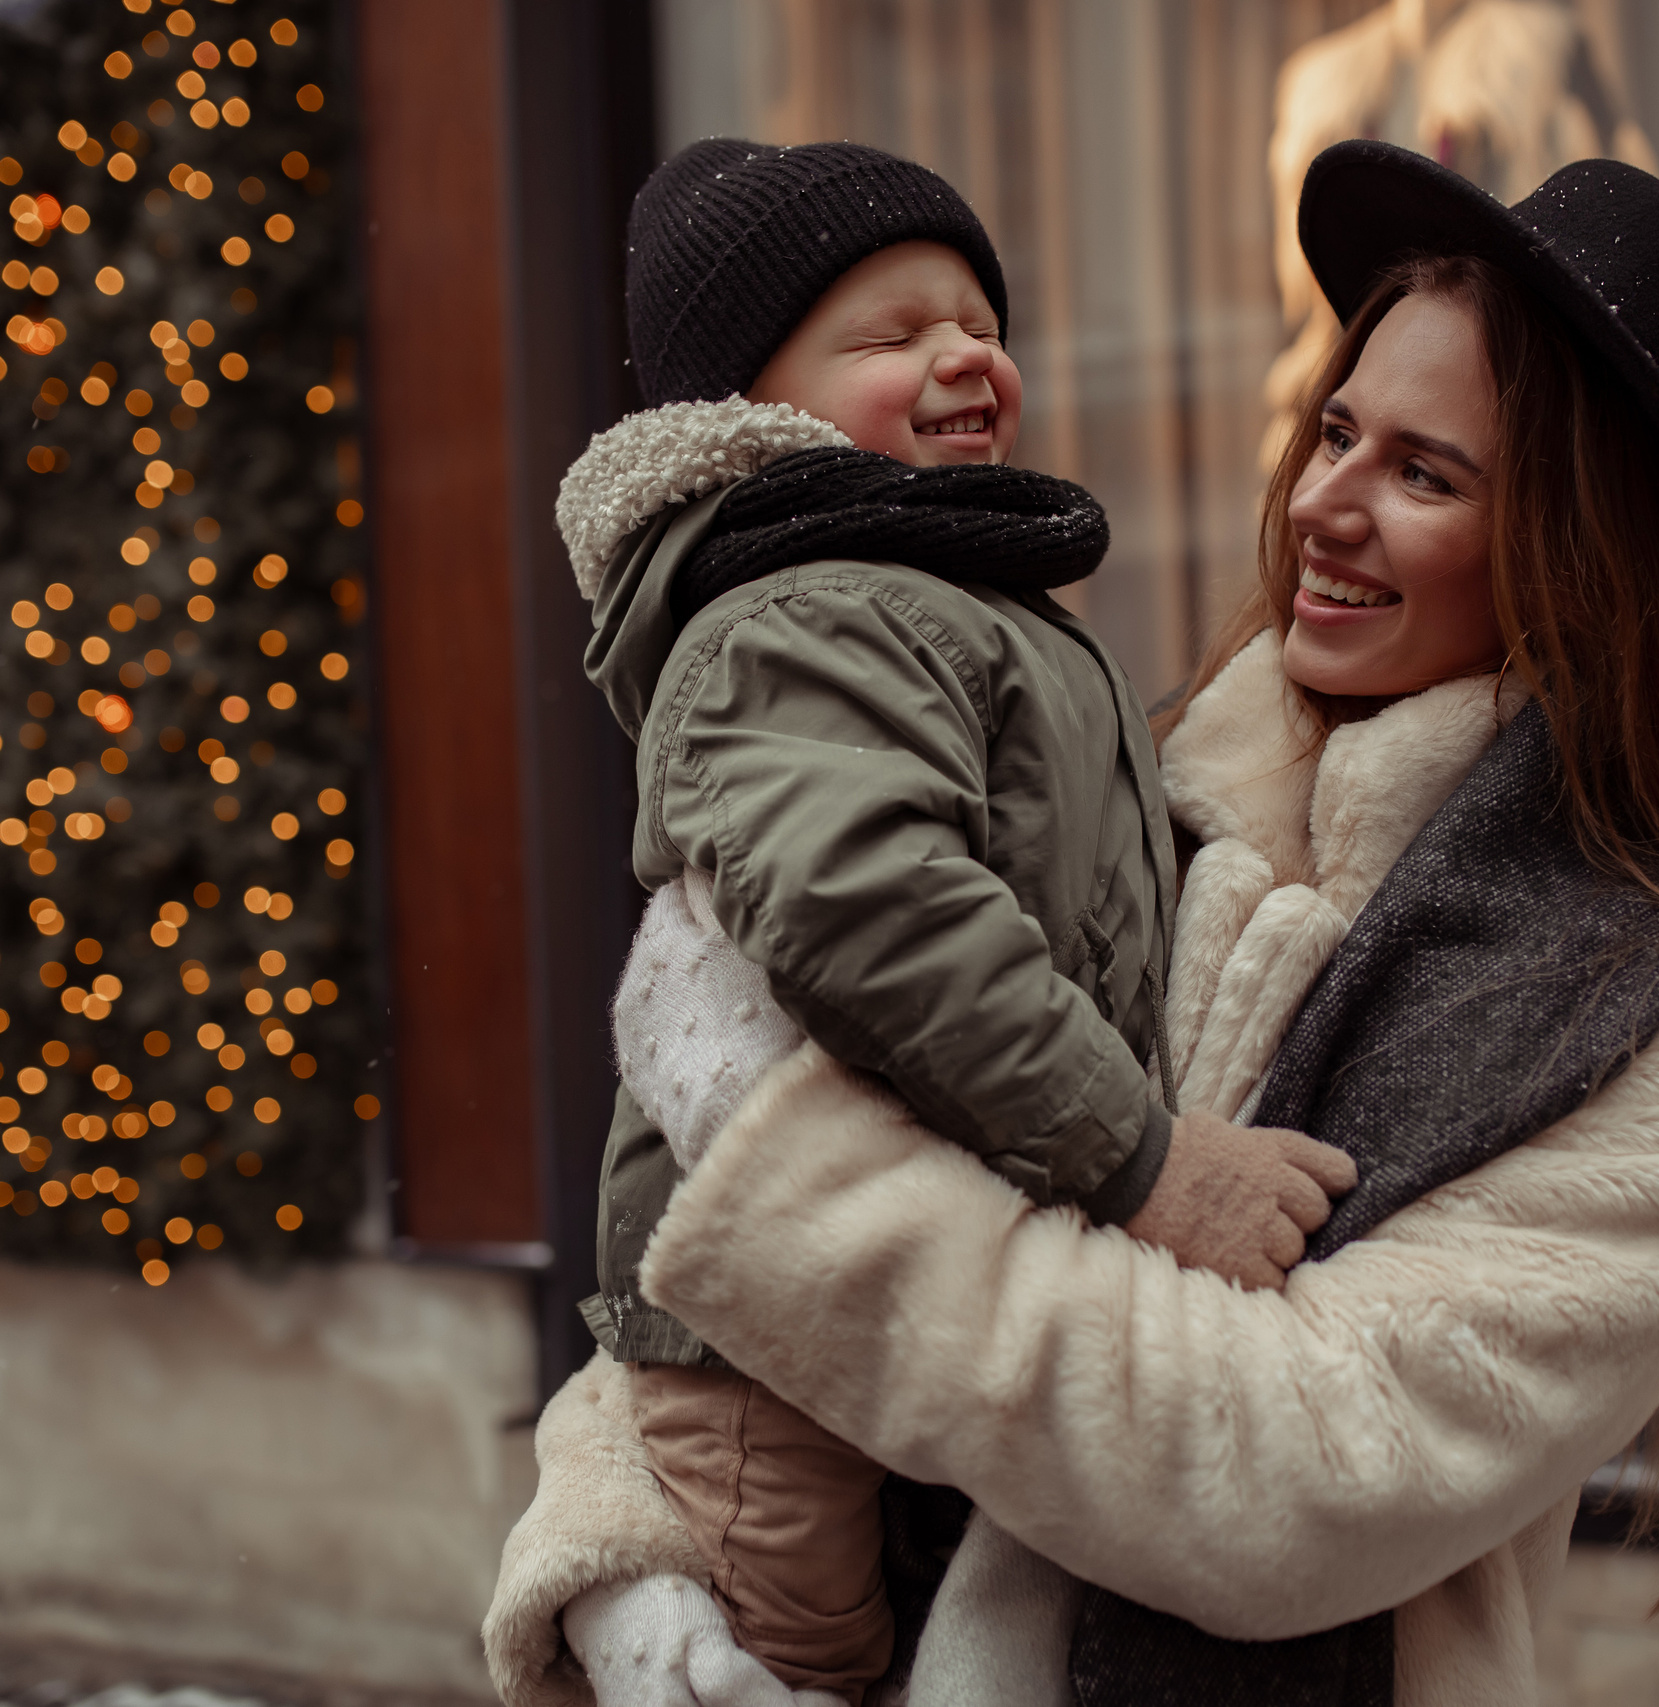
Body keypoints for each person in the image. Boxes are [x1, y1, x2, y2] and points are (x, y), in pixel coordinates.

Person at [485, 139, 1659, 1707]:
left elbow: (1288, 1475)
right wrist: (625, 1565)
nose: (1323, 501)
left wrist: (767, 1145)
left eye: (1426, 473)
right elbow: (693, 1305)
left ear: (1594, 564)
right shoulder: (1157, 779)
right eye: (1338, 430)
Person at [535, 139, 1357, 1706]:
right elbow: (869, 908)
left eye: (980, 320)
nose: (965, 353)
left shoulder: (952, 603)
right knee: (776, 1640)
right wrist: (1144, 1156)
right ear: (752, 411)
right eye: (894, 332)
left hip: (938, 1267)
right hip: (764, 1328)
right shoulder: (800, 615)